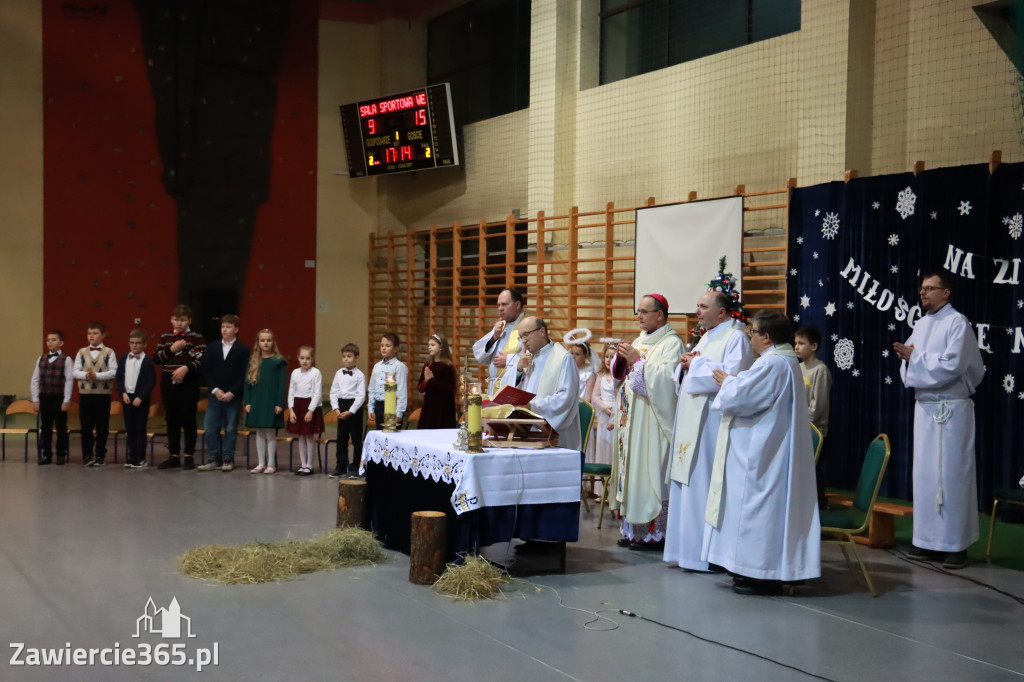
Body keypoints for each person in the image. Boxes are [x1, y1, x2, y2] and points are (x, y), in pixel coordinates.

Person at [706, 310, 821, 595]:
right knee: (759, 509)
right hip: (770, 445)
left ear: (766, 337)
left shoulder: (773, 363)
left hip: (764, 450)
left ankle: (760, 573)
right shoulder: (783, 361)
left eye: (753, 333)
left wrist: (728, 382)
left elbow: (743, 397)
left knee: (757, 509)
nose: (750, 337)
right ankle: (752, 570)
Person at [895, 272, 984, 570]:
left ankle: (956, 545)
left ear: (946, 293)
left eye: (930, 288)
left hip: (951, 411)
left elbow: (954, 365)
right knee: (926, 477)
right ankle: (928, 542)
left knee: (952, 476)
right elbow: (909, 363)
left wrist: (914, 359)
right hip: (926, 410)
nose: (923, 293)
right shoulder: (920, 324)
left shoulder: (957, 323)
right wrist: (909, 359)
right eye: (921, 288)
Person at [664, 290, 753, 571]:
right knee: (689, 485)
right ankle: (686, 550)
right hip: (693, 421)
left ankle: (707, 556)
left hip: (712, 425)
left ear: (722, 312)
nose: (698, 311)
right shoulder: (707, 335)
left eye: (703, 307)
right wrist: (685, 366)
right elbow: (693, 374)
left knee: (704, 484)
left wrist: (696, 364)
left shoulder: (735, 337)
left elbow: (730, 378)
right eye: (698, 306)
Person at [608, 294, 684, 550]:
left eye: (644, 311)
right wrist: (621, 360)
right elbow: (623, 377)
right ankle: (633, 530)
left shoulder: (671, 344)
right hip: (632, 421)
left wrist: (637, 361)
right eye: (638, 311)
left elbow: (664, 383)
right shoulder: (641, 339)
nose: (639, 316)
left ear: (659, 315)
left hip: (652, 424)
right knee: (631, 474)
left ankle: (654, 533)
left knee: (649, 475)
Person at [499, 317, 581, 450]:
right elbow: (505, 389)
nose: (523, 341)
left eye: (526, 335)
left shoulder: (563, 359)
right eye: (520, 337)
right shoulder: (525, 358)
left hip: (555, 436)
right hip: (526, 432)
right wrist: (519, 370)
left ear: (542, 331)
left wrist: (532, 407)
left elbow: (565, 398)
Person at [154, 304, 206, 470]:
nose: (179, 323)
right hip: (169, 382)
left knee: (188, 418)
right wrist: (171, 349)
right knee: (171, 418)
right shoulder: (165, 337)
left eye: (183, 320)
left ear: (189, 320)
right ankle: (174, 454)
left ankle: (189, 454)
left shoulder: (196, 337)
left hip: (188, 382)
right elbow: (157, 358)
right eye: (176, 320)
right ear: (171, 320)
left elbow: (202, 358)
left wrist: (186, 368)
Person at [197, 314, 250, 473]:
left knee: (230, 429)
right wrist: (215, 390)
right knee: (210, 427)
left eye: (228, 327)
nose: (224, 330)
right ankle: (214, 458)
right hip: (215, 395)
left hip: (233, 397)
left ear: (236, 329)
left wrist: (232, 392)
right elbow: (207, 372)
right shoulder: (212, 347)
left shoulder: (243, 349)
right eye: (222, 327)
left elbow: (244, 374)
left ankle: (228, 458)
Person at [794, 326, 832, 509]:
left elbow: (818, 405)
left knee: (814, 471)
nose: (796, 347)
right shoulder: (797, 368)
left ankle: (821, 507)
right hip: (799, 428)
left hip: (815, 431)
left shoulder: (820, 370)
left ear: (814, 346)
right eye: (796, 343)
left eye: (801, 343)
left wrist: (802, 420)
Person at [73, 322, 118, 467]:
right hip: (85, 394)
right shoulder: (81, 352)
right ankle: (87, 455)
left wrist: (96, 376)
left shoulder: (109, 352)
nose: (91, 336)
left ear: (103, 335)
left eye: (95, 333)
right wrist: (86, 374)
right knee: (86, 426)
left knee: (102, 426)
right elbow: (74, 371)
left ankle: (100, 455)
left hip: (102, 394)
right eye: (89, 333)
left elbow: (113, 372)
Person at [245, 329, 287, 474]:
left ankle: (271, 464)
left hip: (271, 401)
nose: (266, 343)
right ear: (258, 343)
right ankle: (261, 463)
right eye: (262, 340)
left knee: (270, 432)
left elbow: (282, 384)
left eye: (268, 340)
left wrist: (279, 403)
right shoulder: (253, 361)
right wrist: (248, 402)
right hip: (257, 400)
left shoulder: (278, 361)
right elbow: (247, 384)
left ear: (273, 342)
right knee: (259, 433)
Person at [30, 330, 73, 465]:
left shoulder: (66, 360)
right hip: (45, 397)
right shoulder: (41, 359)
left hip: (59, 397)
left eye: (53, 340)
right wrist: (35, 399)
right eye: (48, 340)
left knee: (61, 427)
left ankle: (61, 454)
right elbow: (35, 380)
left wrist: (66, 400)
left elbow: (69, 380)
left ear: (61, 343)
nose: (50, 342)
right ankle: (46, 454)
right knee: (46, 427)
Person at [115, 328, 156, 469]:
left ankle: (140, 458)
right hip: (127, 397)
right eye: (132, 342)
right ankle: (131, 457)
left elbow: (150, 381)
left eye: (138, 343)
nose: (134, 345)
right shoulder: (123, 358)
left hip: (140, 399)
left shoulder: (148, 360)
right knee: (130, 429)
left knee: (140, 428)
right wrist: (123, 393)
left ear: (144, 344)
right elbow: (119, 377)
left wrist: (141, 396)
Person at [473, 288, 527, 396]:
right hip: (494, 388)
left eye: (504, 304)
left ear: (517, 305)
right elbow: (480, 357)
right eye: (498, 305)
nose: (500, 309)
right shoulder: (500, 326)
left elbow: (533, 362)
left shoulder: (527, 327)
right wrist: (493, 337)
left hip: (514, 387)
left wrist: (508, 360)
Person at [328, 343, 366, 478]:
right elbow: (333, 392)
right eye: (344, 356)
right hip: (341, 406)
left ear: (356, 358)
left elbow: (361, 395)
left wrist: (351, 411)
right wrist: (336, 408)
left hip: (354, 408)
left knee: (356, 440)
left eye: (349, 356)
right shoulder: (339, 373)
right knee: (341, 439)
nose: (346, 359)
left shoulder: (359, 375)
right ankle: (341, 467)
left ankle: (355, 467)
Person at [287, 346, 324, 476]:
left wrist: (310, 411)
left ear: (312, 359)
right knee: (301, 436)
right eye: (302, 358)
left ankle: (309, 465)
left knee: (309, 437)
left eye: (308, 358)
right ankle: (303, 465)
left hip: (309, 407)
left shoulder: (316, 373)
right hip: (297, 406)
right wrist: (291, 410)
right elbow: (291, 391)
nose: (305, 361)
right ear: (298, 358)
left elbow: (317, 393)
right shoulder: (295, 373)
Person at [588, 346, 620, 497]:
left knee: (614, 450)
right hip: (604, 414)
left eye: (612, 357)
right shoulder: (601, 375)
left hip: (617, 413)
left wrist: (614, 412)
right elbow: (594, 396)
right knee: (603, 447)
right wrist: (604, 407)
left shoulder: (620, 377)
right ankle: (602, 492)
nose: (608, 360)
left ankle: (614, 492)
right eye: (607, 356)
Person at [416, 333, 458, 429]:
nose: (429, 347)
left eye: (433, 345)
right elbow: (420, 388)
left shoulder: (447, 366)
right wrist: (426, 382)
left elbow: (449, 389)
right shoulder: (428, 365)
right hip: (429, 407)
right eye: (429, 345)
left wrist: (432, 381)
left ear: (441, 347)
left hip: (443, 408)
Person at [367, 332, 408, 429]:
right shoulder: (377, 366)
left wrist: (399, 412)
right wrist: (370, 408)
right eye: (382, 345)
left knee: (389, 437)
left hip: (391, 405)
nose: (383, 348)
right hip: (378, 406)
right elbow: (372, 388)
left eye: (388, 345)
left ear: (395, 349)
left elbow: (402, 391)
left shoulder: (399, 367)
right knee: (380, 436)